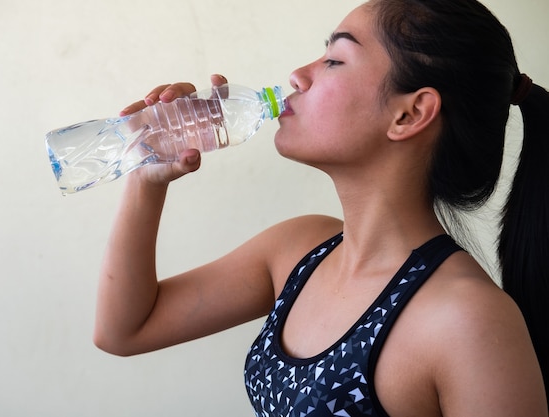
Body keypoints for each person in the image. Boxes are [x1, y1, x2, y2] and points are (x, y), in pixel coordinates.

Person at [93, 0, 549, 415]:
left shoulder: (468, 321)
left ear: (408, 115)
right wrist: (145, 174)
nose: (298, 74)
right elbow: (125, 330)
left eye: (334, 59)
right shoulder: (298, 249)